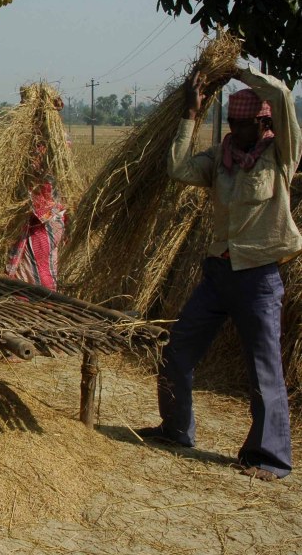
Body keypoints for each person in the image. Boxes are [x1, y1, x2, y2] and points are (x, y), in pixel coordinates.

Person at [137, 66, 302, 481]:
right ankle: (176, 429)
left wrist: (238, 71)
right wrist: (190, 114)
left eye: (242, 124)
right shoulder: (220, 158)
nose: (235, 130)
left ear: (262, 123)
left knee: (264, 368)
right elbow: (178, 169)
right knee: (177, 348)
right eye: (231, 122)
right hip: (219, 273)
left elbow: (282, 96)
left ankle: (270, 458)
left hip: (258, 276)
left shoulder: (281, 155)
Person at [5, 94, 68, 291]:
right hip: (52, 218)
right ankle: (40, 299)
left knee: (35, 269)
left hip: (42, 221)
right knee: (45, 265)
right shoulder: (59, 143)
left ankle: (32, 300)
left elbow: (30, 177)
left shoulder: (40, 148)